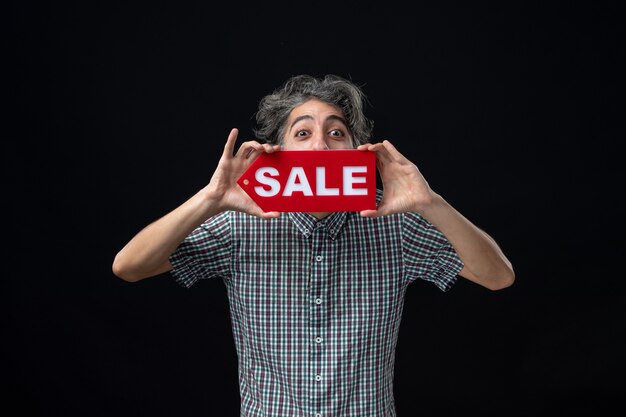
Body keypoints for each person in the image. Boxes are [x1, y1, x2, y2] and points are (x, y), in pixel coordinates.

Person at [112, 74, 515, 417]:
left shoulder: (396, 225)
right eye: (302, 133)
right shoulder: (240, 223)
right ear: (277, 152)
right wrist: (209, 199)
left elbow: (497, 276)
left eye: (336, 133)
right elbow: (129, 266)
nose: (321, 146)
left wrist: (431, 203)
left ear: (358, 151)